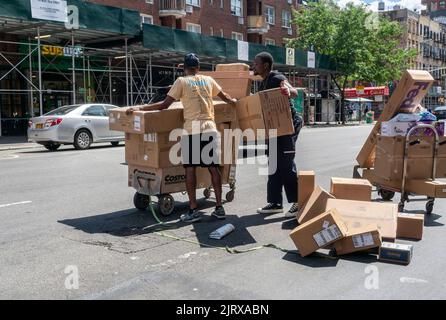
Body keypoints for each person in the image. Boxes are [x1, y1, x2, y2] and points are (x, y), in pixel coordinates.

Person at [126, 53, 237, 223]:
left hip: (192, 130)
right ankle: (219, 207)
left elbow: (164, 105)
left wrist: (140, 107)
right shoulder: (208, 80)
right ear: (198, 68)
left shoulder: (181, 82)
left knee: (190, 169)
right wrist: (236, 101)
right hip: (210, 128)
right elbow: (226, 98)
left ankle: (192, 209)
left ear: (184, 68)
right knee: (213, 168)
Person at [252, 52, 303, 218]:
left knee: (286, 163)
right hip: (274, 129)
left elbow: (293, 92)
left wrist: (287, 91)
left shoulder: (276, 77)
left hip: (289, 125)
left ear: (265, 65)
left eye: (257, 64)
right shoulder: (262, 83)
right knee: (273, 163)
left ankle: (298, 202)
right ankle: (275, 202)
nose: (254, 66)